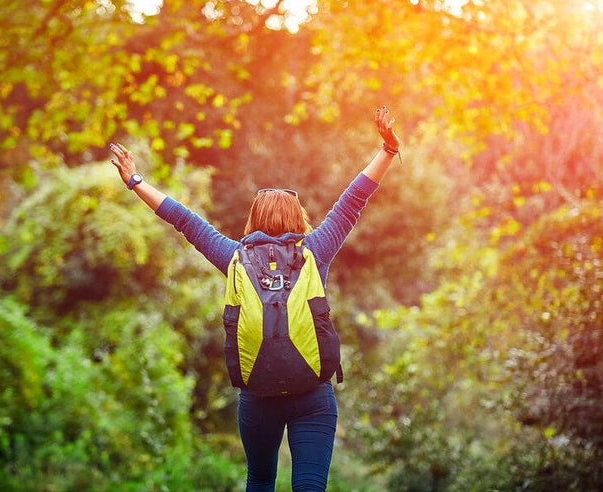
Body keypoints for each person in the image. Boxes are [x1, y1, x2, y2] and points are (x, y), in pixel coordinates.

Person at [109, 105, 401, 491]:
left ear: (254, 218)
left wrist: (135, 181)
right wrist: (388, 149)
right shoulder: (315, 249)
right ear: (298, 217)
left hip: (258, 395)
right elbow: (354, 199)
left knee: (260, 481)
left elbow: (183, 219)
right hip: (313, 394)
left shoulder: (234, 257)